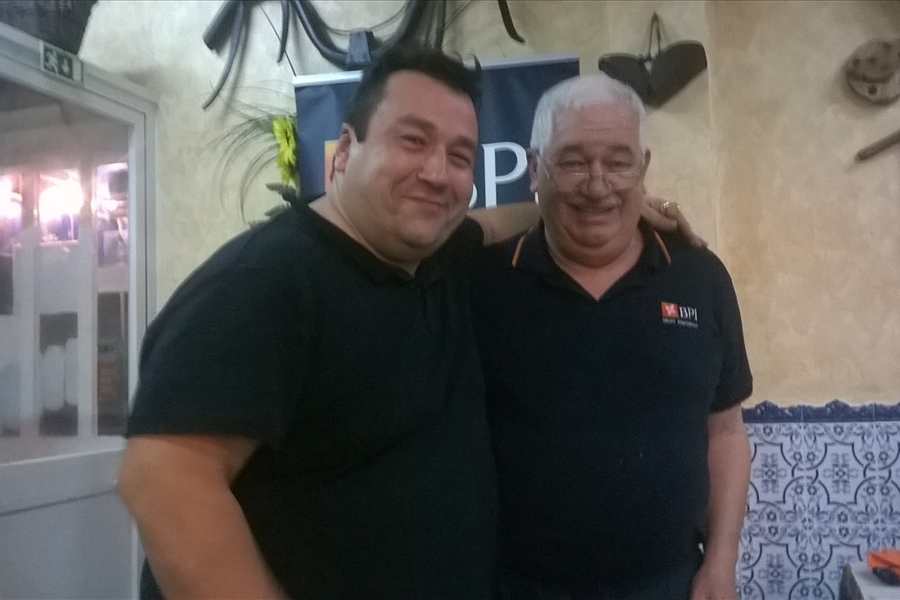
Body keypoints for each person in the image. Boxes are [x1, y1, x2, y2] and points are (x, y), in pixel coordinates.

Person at [118, 44, 698, 599]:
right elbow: (165, 479)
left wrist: (612, 206)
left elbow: (495, 222)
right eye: (413, 141)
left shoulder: (437, 260)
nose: (437, 173)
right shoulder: (266, 281)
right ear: (346, 149)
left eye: (459, 156)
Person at [471, 74, 752, 600]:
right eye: (573, 162)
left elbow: (726, 433)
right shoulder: (481, 282)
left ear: (643, 168)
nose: (598, 185)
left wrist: (721, 562)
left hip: (670, 585)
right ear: (534, 168)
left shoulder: (700, 276)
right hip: (514, 587)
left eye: (619, 163)